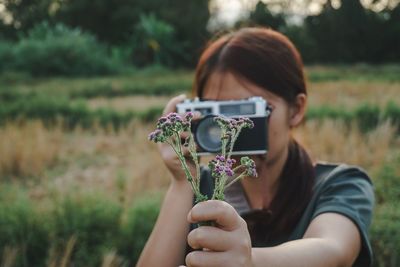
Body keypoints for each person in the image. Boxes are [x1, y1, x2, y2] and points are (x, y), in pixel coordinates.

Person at [137, 27, 374, 267]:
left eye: (249, 111)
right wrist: (182, 181)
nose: (231, 128)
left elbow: (333, 250)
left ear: (297, 109)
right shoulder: (202, 189)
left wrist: (248, 260)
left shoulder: (339, 184)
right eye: (218, 113)